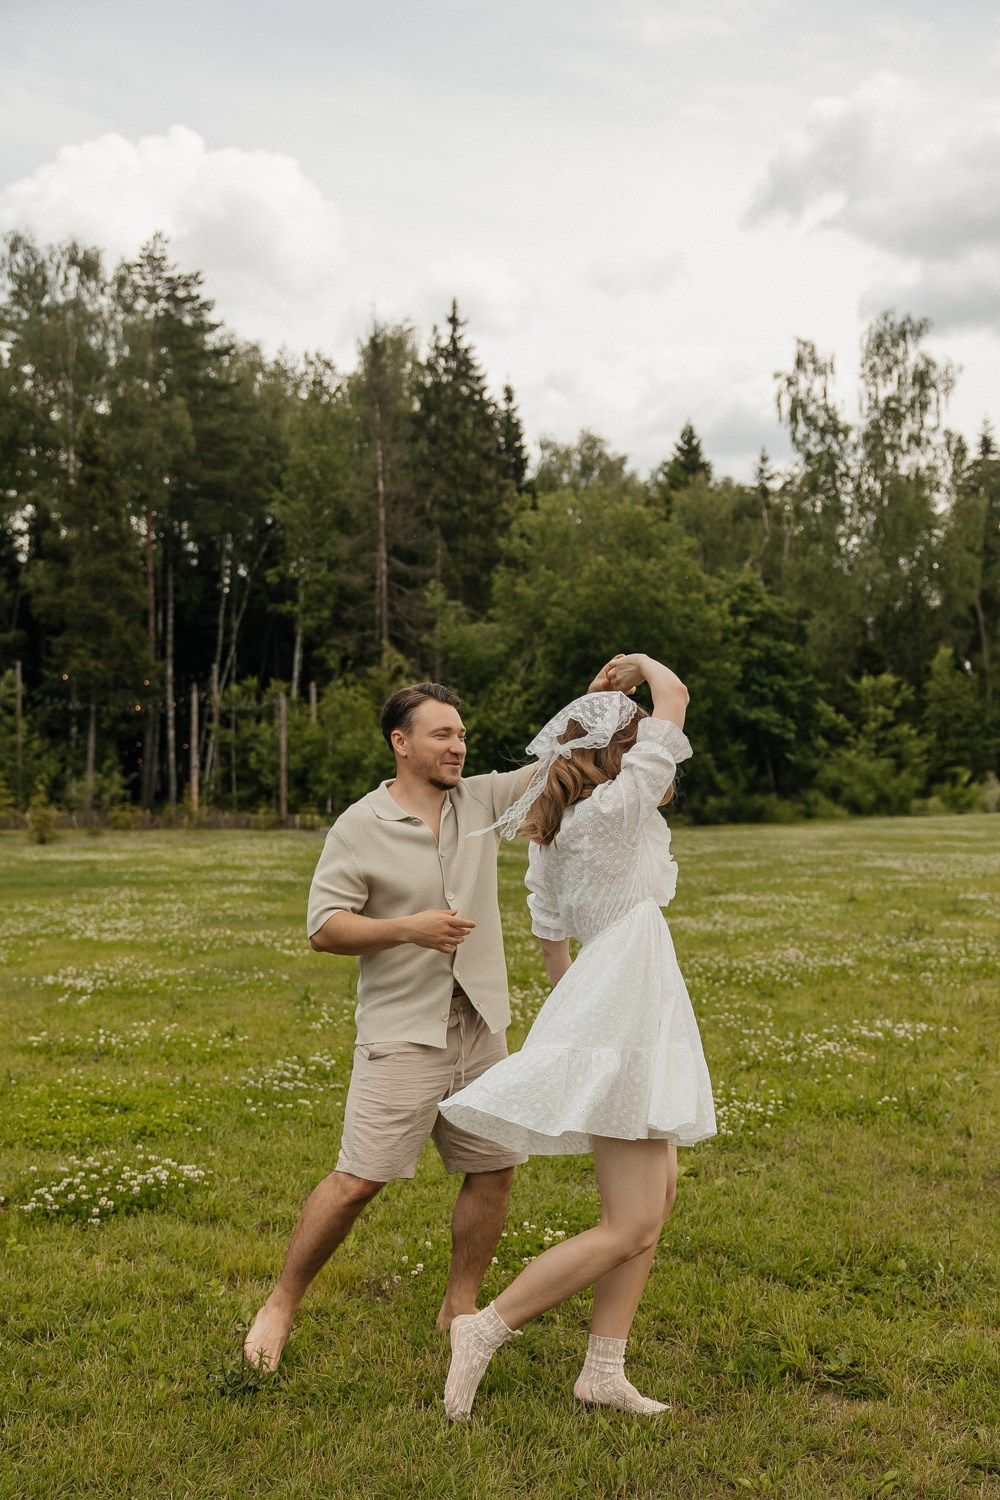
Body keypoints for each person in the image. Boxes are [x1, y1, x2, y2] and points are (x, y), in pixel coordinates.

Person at [243, 673, 609, 1372]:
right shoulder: (360, 824)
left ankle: (459, 1306)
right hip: (402, 1029)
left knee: (495, 1168)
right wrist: (408, 928)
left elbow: (558, 764)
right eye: (443, 734)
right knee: (358, 1180)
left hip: (481, 1024)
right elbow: (324, 928)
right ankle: (282, 1302)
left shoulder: (479, 801)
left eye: (462, 735)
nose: (458, 747)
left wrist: (594, 700)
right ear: (400, 742)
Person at [437, 653, 716, 1419]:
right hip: (624, 996)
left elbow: (550, 930)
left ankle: (603, 1370)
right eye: (635, 748)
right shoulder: (618, 809)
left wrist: (580, 1007)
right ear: (614, 758)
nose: (654, 767)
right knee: (631, 1219)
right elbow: (677, 697)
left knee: (658, 1192)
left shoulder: (557, 828)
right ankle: (485, 1327)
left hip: (616, 994)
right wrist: (643, 668)